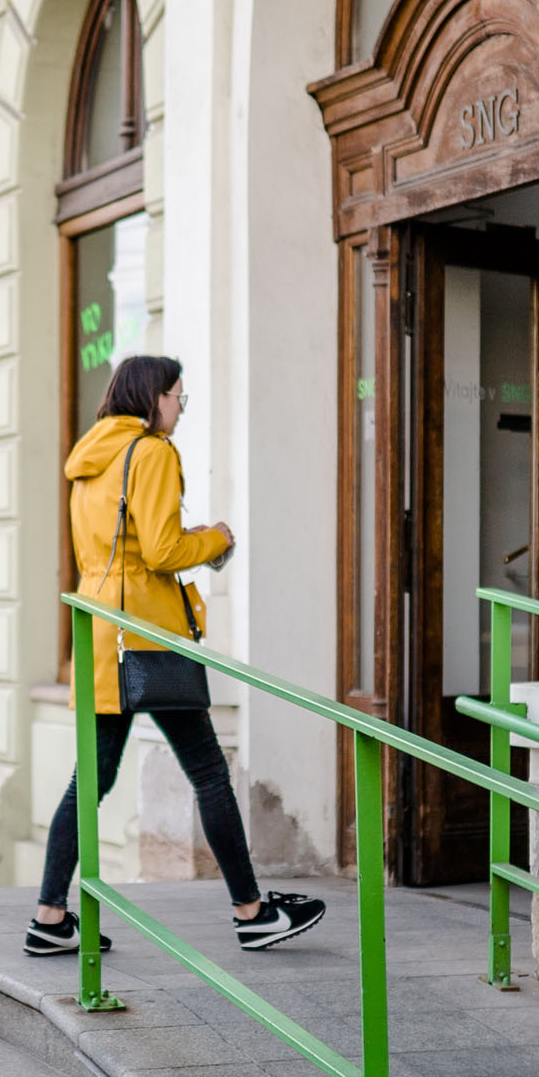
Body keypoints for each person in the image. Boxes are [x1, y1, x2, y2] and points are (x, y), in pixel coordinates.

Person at [30, 356, 327, 957]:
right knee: (210, 774)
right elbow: (161, 551)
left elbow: (119, 547)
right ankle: (252, 912)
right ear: (153, 397)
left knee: (89, 781)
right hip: (149, 636)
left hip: (101, 632)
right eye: (177, 398)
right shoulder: (152, 452)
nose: (179, 410)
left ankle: (49, 917)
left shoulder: (91, 457)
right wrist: (216, 539)